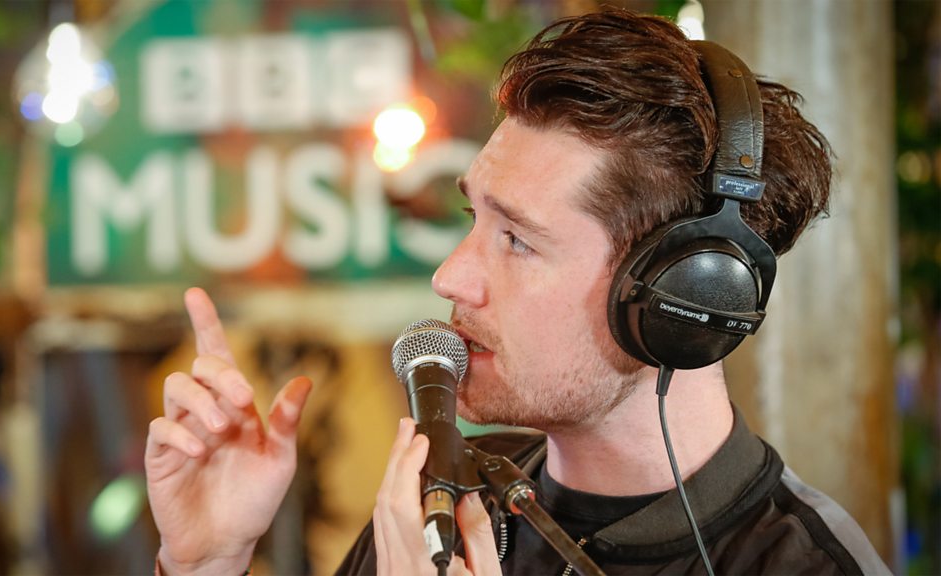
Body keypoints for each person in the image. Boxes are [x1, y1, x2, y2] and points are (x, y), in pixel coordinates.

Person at [145, 6, 889, 575]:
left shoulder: (806, 565)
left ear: (677, 293)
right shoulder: (443, 505)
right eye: (474, 219)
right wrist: (208, 563)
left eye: (518, 240)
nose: (449, 277)